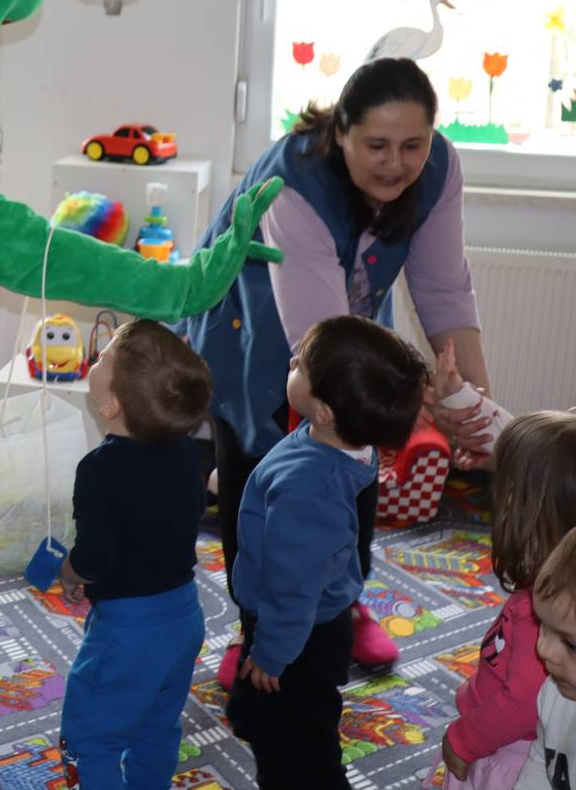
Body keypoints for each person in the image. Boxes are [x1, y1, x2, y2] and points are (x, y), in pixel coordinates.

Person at [186, 56, 497, 681]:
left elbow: (443, 289)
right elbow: (320, 344)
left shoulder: (439, 168)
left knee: (352, 465)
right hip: (258, 331)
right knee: (264, 481)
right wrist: (411, 400)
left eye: (413, 144)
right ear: (341, 133)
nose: (396, 163)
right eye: (376, 145)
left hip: (345, 336)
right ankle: (257, 627)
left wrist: (474, 405)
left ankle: (342, 602)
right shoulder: (295, 182)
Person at [226, 315, 429, 790]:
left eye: (302, 366)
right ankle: (252, 707)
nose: (292, 362)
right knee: (265, 712)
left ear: (322, 410)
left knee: (300, 748)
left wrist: (273, 653)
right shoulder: (342, 443)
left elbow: (292, 588)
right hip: (308, 617)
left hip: (299, 633)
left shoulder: (308, 489)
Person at [57, 320, 211, 790]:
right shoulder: (188, 453)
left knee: (91, 737)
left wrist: (70, 571)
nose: (97, 357)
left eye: (104, 357)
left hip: (129, 632)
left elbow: (96, 555)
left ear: (111, 406)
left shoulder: (98, 470)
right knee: (157, 726)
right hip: (184, 617)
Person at [442, 412, 576, 789]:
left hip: (505, 754)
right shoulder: (546, 585)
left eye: (509, 488)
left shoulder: (552, 613)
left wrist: (464, 740)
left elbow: (523, 702)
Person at [515, 526, 576, 789]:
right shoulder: (554, 694)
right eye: (543, 625)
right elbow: (542, 760)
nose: (543, 649)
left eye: (571, 645)